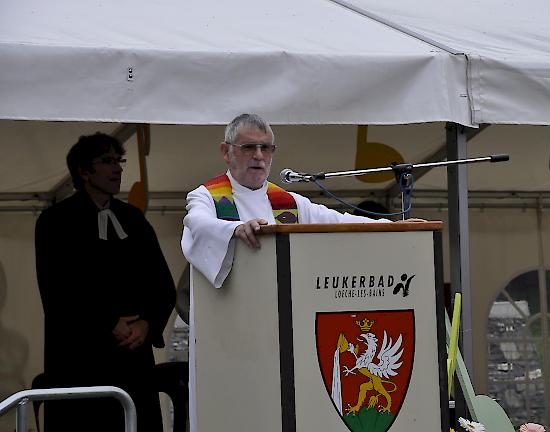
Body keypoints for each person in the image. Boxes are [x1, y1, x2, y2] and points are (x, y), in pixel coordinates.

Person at [35, 133, 176, 432]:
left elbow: (162, 285)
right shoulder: (54, 222)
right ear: (84, 171)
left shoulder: (134, 220)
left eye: (119, 161)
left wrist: (147, 324)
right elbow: (57, 291)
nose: (118, 169)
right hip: (80, 357)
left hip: (132, 360)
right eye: (107, 161)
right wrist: (107, 322)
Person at [181, 113, 423, 288]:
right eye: (249, 147)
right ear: (226, 151)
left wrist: (393, 227)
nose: (258, 156)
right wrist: (236, 229)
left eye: (266, 148)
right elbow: (198, 222)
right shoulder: (206, 196)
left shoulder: (288, 202)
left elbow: (338, 222)